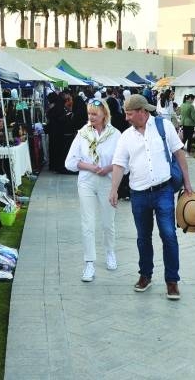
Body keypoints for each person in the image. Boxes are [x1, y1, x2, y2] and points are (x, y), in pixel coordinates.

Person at [110, 94, 193, 300]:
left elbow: (179, 154)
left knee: (169, 235)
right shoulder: (126, 137)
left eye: (130, 114)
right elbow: (119, 164)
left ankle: (172, 281)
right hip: (138, 195)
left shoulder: (164, 126)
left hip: (164, 190)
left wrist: (188, 183)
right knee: (143, 238)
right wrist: (113, 190)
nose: (127, 118)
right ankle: (145, 275)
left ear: (142, 112)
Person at [65, 98, 120, 282]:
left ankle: (110, 252)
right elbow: (70, 162)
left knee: (107, 222)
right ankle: (89, 262)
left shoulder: (115, 135)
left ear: (104, 114)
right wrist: (89, 167)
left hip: (107, 181)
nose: (91, 117)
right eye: (89, 114)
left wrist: (108, 168)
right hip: (87, 182)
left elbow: (123, 163)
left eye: (95, 114)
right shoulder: (82, 134)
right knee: (87, 223)